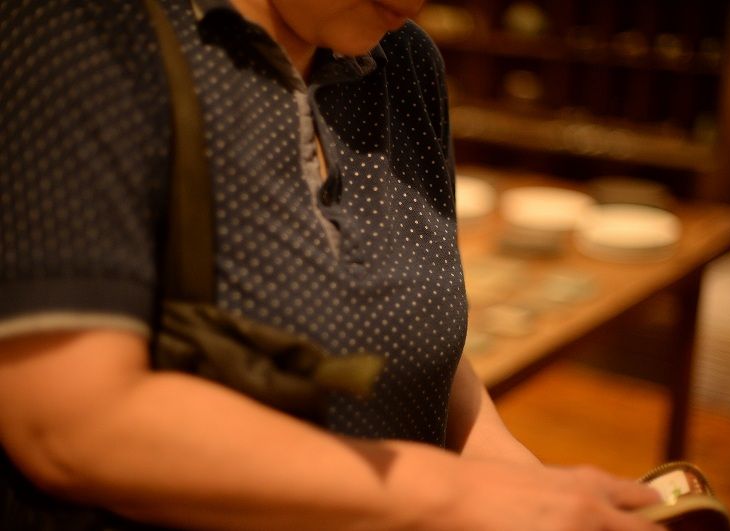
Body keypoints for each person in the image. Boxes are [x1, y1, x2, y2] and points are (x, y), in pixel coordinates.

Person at [0, 0, 665, 529]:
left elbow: (401, 320)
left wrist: (515, 475)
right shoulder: (82, 34)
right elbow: (70, 422)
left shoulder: (402, 60)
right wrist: (450, 493)